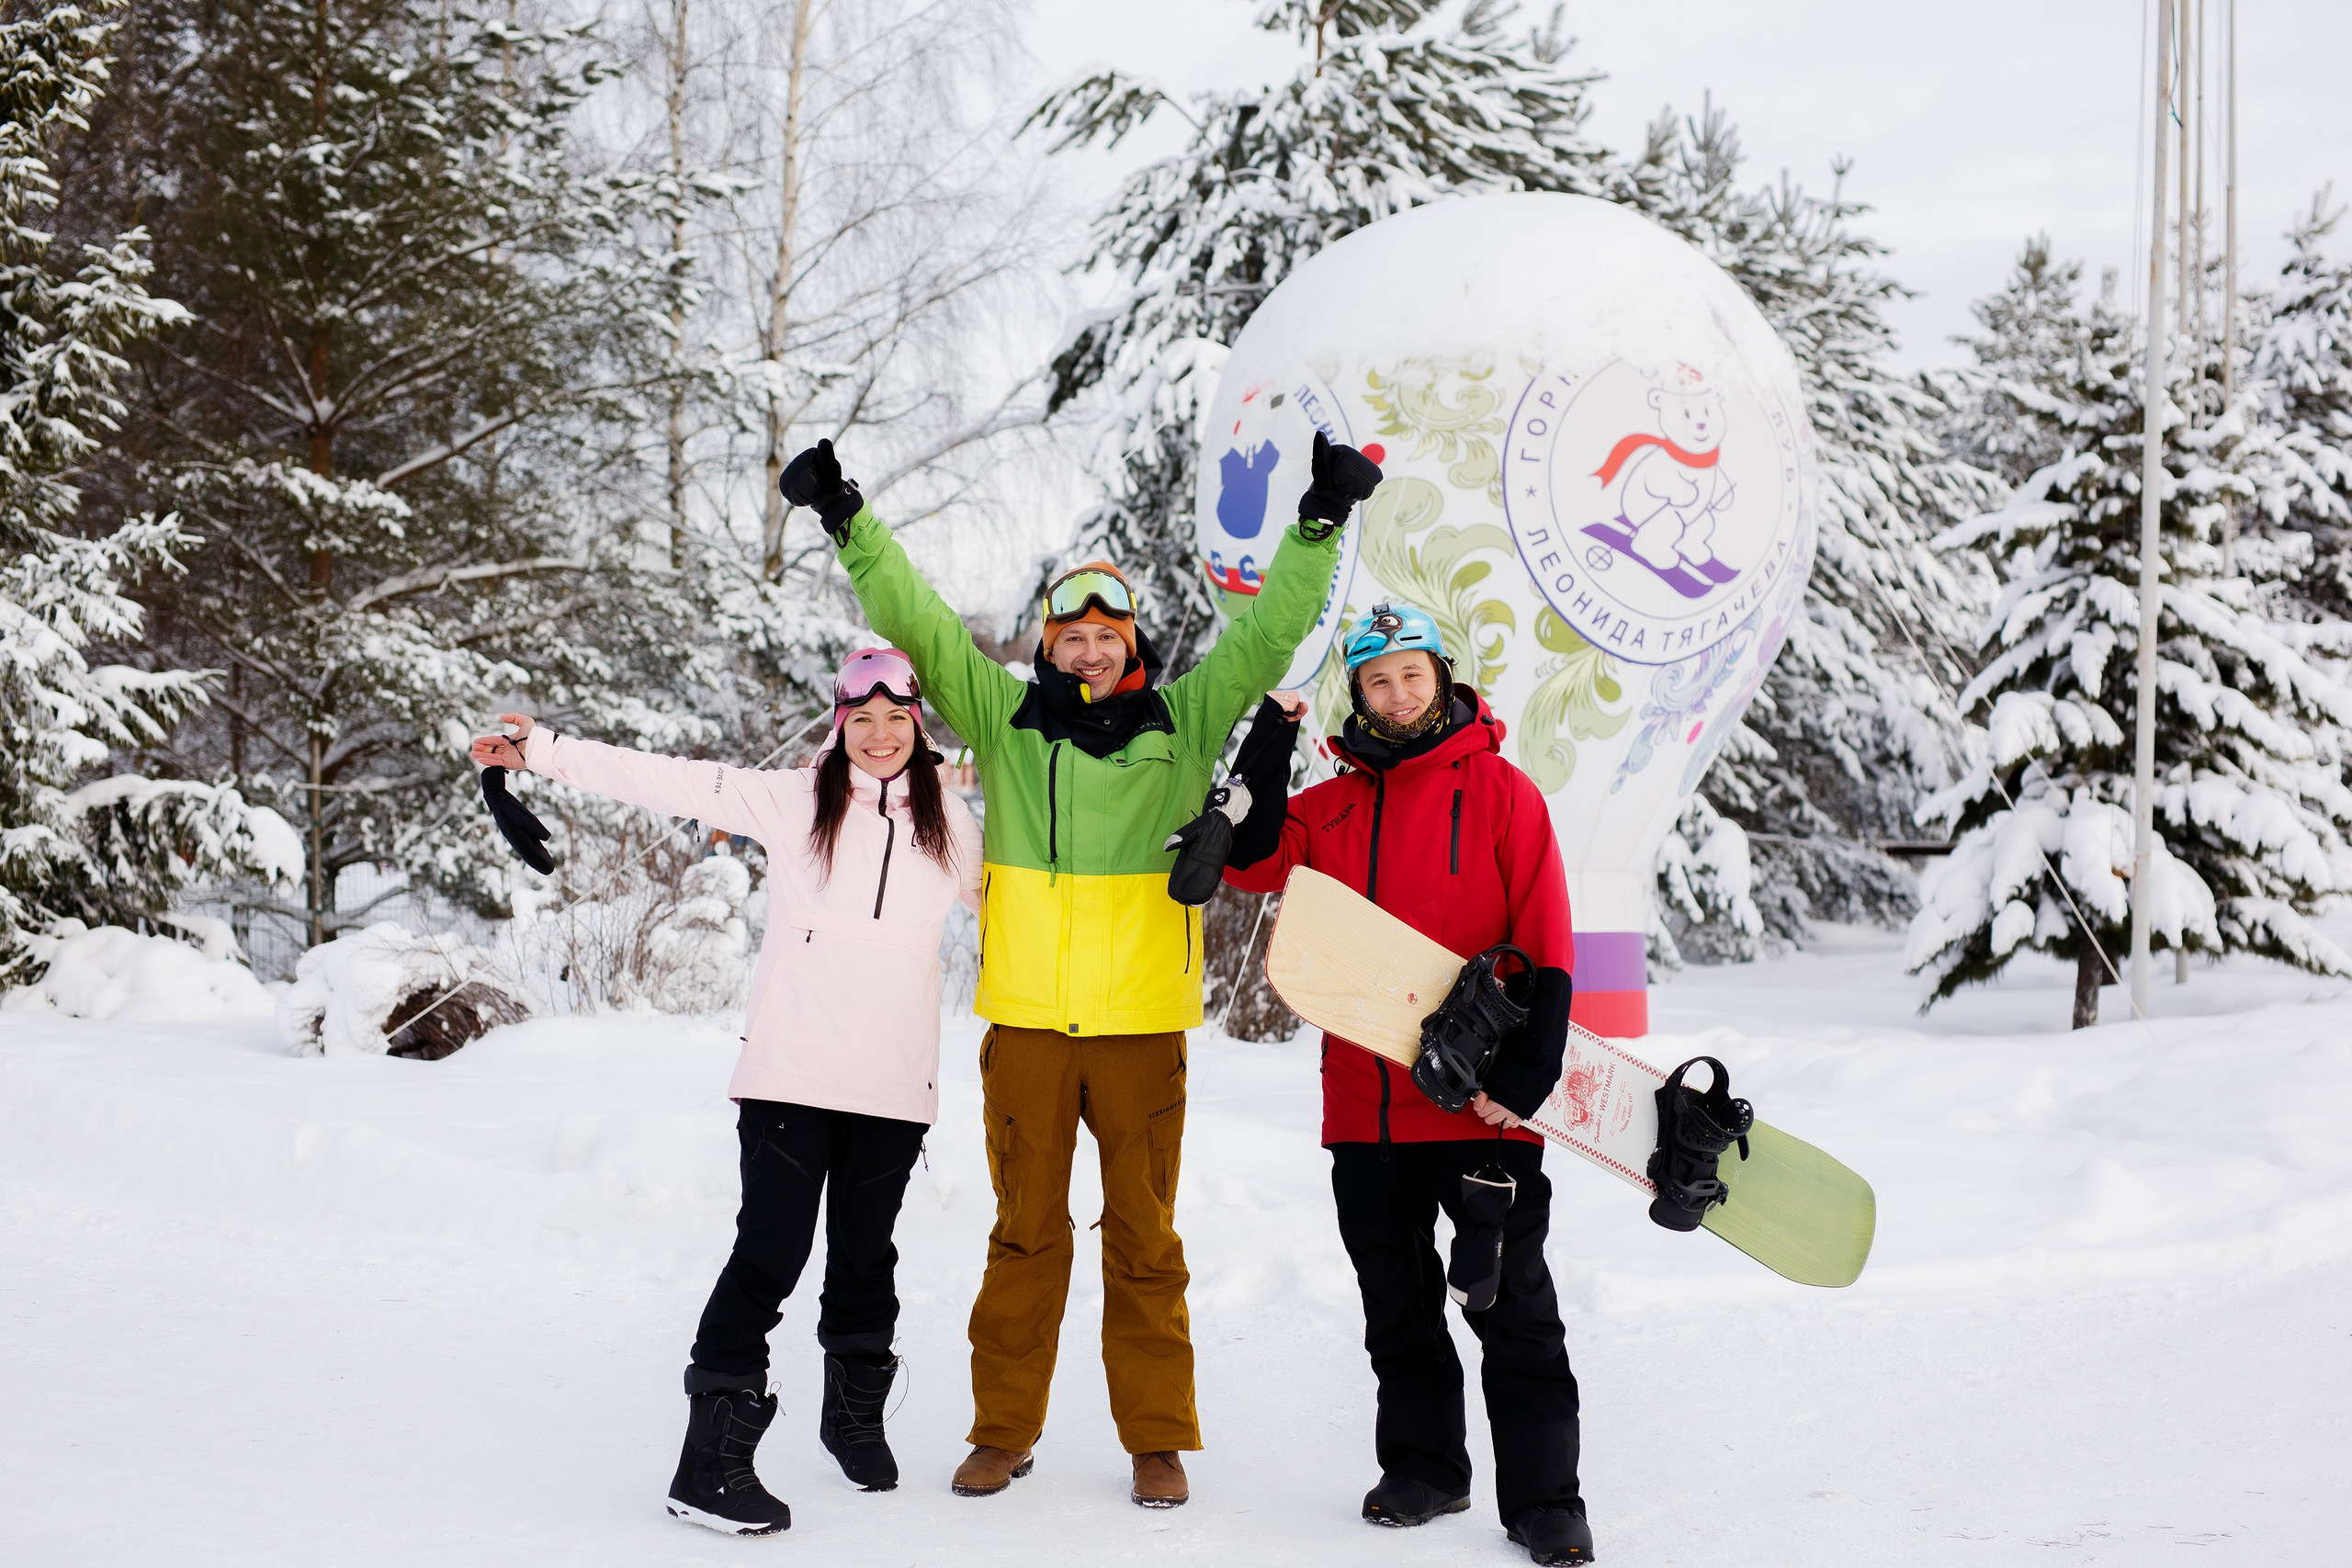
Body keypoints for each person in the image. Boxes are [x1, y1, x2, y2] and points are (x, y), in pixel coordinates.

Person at [776, 432, 1382, 1508]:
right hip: (1027, 1031)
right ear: (1048, 647)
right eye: (1072, 637)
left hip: (1143, 1029)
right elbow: (918, 620)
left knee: (1144, 1237)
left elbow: (1268, 634)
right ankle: (1002, 1430)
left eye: (1107, 636)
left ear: (1130, 642)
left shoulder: (1183, 719)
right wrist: (846, 517)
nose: (1090, 653)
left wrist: (1318, 522)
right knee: (1024, 1233)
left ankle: (1156, 1439)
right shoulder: (1004, 721)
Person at [468, 648, 982, 1537]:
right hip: (790, 1075)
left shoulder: (953, 825)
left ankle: (852, 1417)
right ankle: (709, 1464)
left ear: (919, 726)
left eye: (896, 718)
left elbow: (1029, 903)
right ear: (839, 725)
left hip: (895, 1084)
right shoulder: (794, 799)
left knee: (868, 1259)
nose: (880, 735)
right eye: (861, 719)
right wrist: (543, 751)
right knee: (769, 1256)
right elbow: (670, 780)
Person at [1223, 603, 1593, 1566]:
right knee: (1396, 1304)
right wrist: (1275, 731)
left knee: (1512, 1305)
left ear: (1441, 677)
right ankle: (1426, 1468)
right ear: (1359, 694)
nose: (1395, 695)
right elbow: (1254, 862)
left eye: (1410, 675)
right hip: (1367, 1109)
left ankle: (1546, 1499)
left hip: (1481, 1108)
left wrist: (1530, 1075)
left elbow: (1547, 936)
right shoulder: (1329, 808)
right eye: (1377, 681)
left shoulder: (1504, 793)